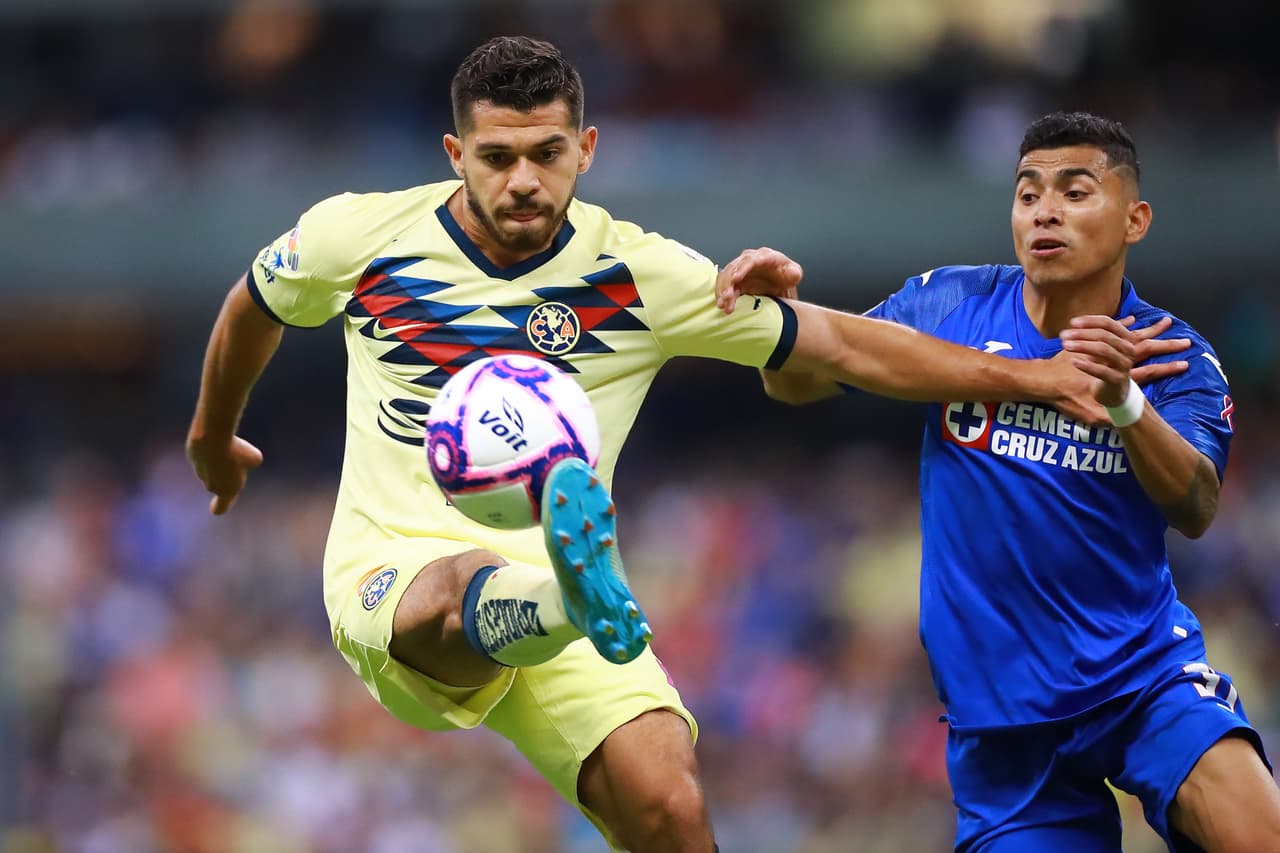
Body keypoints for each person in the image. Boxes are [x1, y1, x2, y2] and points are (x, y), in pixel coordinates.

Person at [186, 37, 1175, 850]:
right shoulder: (358, 237)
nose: (524, 180)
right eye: (497, 158)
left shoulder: (639, 274)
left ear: (588, 148)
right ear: (454, 154)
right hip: (394, 566)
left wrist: (1032, 376)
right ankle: (559, 596)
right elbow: (253, 306)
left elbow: (840, 342)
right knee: (450, 591)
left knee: (667, 801)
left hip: (578, 590)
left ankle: (568, 594)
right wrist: (213, 434)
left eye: (547, 153)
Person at [719, 111, 1280, 852]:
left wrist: (1126, 402)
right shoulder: (948, 305)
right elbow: (797, 388)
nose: (1045, 210)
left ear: (1134, 218)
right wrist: (773, 323)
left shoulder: (1173, 355)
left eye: (1075, 192)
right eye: (1028, 192)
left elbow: (1197, 503)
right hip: (1004, 727)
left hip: (1144, 681)